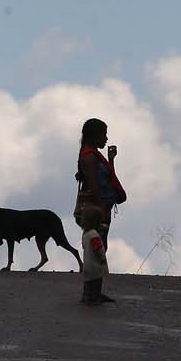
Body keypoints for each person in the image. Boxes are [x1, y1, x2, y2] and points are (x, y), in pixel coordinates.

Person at [74, 117, 125, 254]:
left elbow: (107, 179)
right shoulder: (89, 156)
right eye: (103, 134)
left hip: (99, 206)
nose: (106, 138)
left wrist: (111, 160)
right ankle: (94, 273)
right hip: (95, 208)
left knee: (100, 243)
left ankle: (95, 272)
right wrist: (101, 209)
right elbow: (94, 184)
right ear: (94, 136)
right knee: (97, 244)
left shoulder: (93, 155)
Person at [79, 206, 111, 305]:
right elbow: (97, 249)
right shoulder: (94, 235)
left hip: (87, 264)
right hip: (95, 265)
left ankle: (86, 295)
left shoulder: (86, 234)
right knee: (97, 281)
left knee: (88, 282)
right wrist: (102, 259)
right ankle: (94, 297)